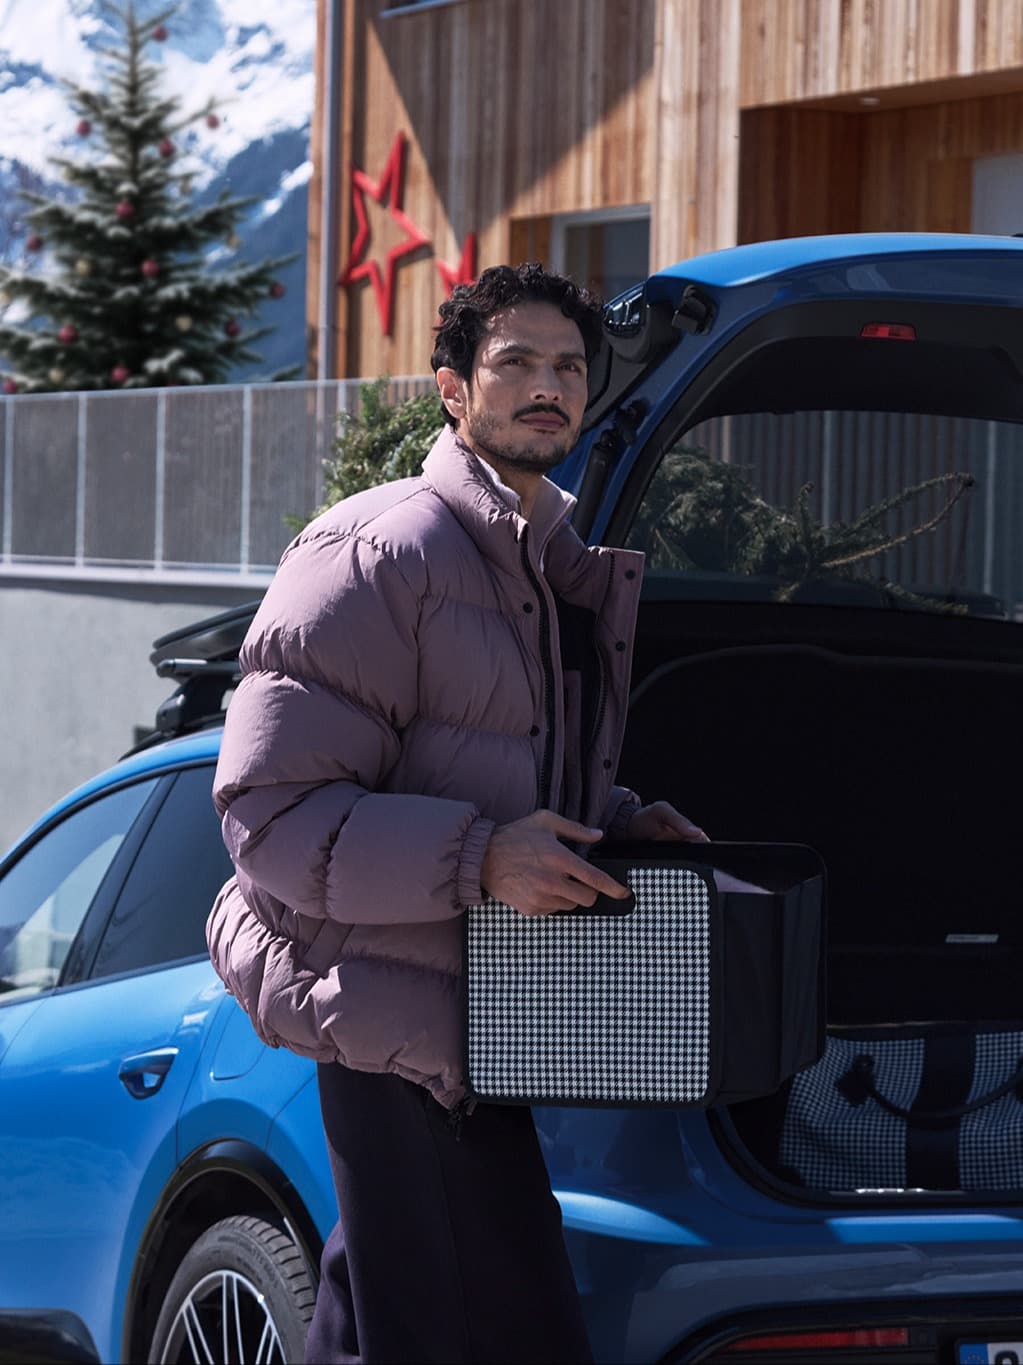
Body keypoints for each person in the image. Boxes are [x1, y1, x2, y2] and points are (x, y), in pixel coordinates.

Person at [206, 262, 708, 1365]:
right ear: (450, 389)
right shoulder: (380, 550)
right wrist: (483, 861)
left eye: (569, 367)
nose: (548, 387)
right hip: (403, 1029)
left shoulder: (544, 565)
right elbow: (270, 815)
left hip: (493, 1021)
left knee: (381, 1322)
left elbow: (497, 770)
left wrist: (618, 823)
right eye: (515, 363)